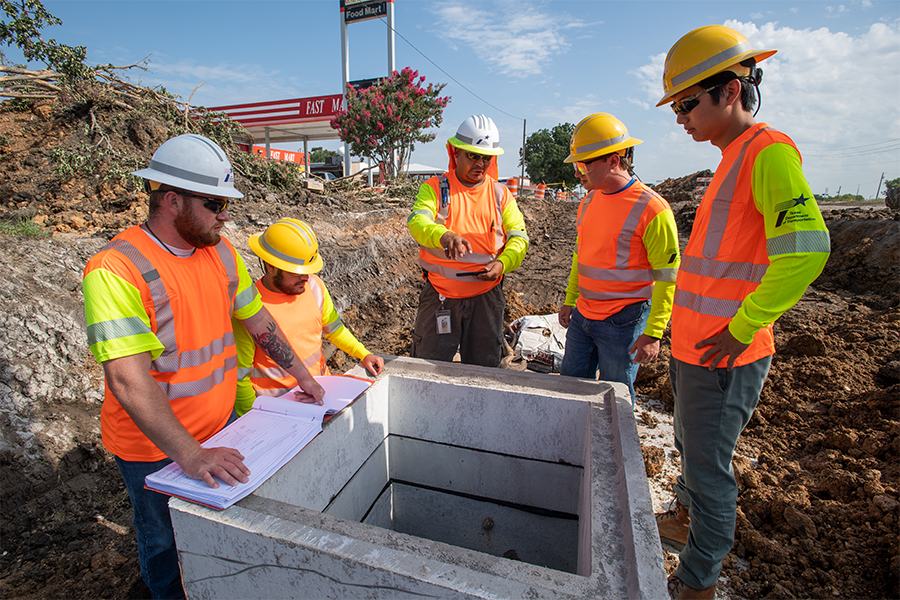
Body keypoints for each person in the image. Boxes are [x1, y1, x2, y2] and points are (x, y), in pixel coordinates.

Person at [82, 134, 325, 600]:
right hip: (155, 446)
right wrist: (190, 455)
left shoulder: (222, 254)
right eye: (215, 204)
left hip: (220, 427)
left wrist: (305, 377)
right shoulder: (116, 269)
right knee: (163, 539)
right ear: (172, 201)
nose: (225, 215)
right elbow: (128, 381)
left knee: (218, 531)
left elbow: (260, 322)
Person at [654, 26, 830, 599]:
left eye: (686, 102)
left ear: (728, 91)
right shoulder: (731, 157)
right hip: (697, 349)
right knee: (690, 449)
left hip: (725, 354)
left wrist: (744, 325)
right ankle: (684, 521)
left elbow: (806, 249)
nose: (679, 116)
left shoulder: (768, 153)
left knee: (708, 468)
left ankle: (699, 580)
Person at [557, 113, 680, 403]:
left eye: (583, 164)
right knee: (568, 392)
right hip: (583, 315)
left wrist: (654, 333)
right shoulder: (587, 201)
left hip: (623, 321)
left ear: (613, 160)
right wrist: (570, 298)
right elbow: (581, 256)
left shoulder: (652, 209)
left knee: (615, 399)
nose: (577, 173)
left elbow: (667, 277)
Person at [407, 114, 529, 367]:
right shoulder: (435, 188)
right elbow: (417, 222)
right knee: (427, 368)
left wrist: (503, 263)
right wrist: (444, 235)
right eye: (473, 155)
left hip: (486, 298)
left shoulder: (500, 194)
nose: (480, 163)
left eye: (486, 158)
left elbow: (519, 237)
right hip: (441, 297)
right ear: (456, 153)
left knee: (484, 370)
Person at [233, 218, 384, 415]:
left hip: (322, 395)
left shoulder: (314, 287)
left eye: (308, 271)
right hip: (278, 409)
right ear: (271, 266)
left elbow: (334, 329)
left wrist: (363, 353)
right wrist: (249, 419)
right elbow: (240, 375)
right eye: (297, 272)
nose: (305, 277)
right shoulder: (250, 308)